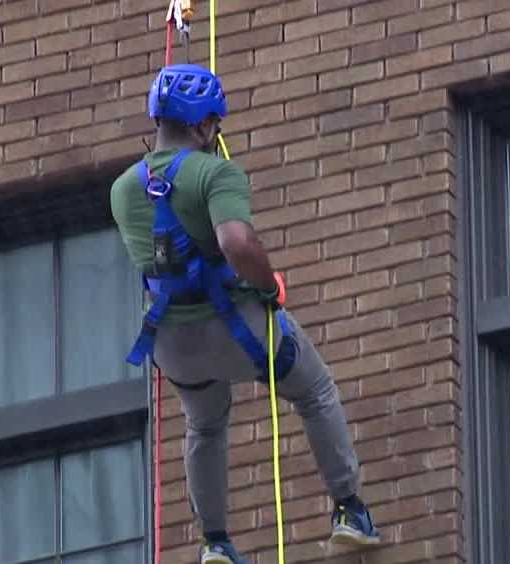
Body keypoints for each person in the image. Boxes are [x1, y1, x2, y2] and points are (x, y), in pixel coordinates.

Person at [109, 63, 381, 564]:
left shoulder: (123, 189)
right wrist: (268, 282)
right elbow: (237, 242)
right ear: (201, 125)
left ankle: (215, 544)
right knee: (314, 389)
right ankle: (349, 510)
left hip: (173, 345)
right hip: (237, 328)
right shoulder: (217, 172)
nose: (216, 132)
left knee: (205, 426)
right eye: (214, 123)